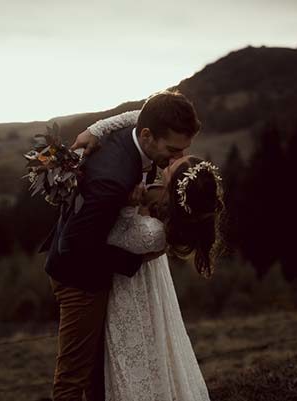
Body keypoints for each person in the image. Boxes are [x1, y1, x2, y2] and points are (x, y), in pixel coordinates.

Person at [40, 90, 201, 401]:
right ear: (148, 136)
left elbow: (139, 113)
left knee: (100, 371)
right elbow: (73, 247)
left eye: (183, 151)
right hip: (79, 280)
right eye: (172, 150)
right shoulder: (111, 180)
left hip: (93, 268)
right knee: (75, 374)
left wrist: (97, 127)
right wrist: (134, 262)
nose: (177, 159)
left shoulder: (140, 138)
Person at [78, 111, 225, 400]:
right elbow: (146, 112)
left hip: (129, 294)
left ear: (176, 185)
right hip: (148, 285)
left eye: (176, 162)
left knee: (132, 358)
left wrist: (130, 207)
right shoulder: (166, 202)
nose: (173, 159)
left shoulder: (153, 234)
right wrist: (97, 128)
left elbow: (111, 237)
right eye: (176, 153)